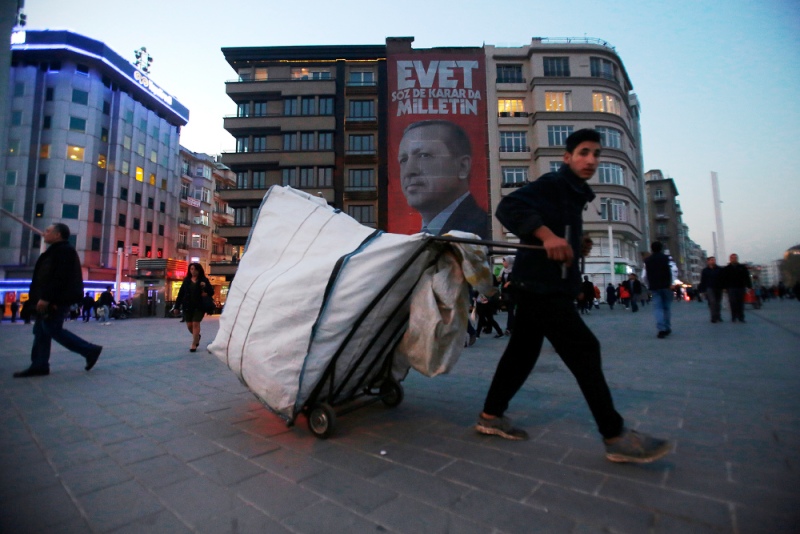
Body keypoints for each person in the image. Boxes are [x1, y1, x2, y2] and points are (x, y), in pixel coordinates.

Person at [475, 129, 670, 464]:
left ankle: (491, 416)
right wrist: (547, 236)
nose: (591, 160)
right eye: (583, 152)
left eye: (596, 153)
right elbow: (509, 206)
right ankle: (615, 435)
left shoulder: (575, 194)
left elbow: (555, 231)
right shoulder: (554, 184)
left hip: (545, 285)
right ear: (567, 157)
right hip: (541, 286)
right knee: (584, 349)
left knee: (522, 353)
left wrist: (574, 244)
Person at [13, 223, 102, 378]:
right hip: (49, 299)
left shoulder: (63, 252)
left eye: (48, 231)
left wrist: (46, 298)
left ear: (58, 235)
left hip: (55, 300)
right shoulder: (56, 251)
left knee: (51, 329)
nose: (44, 233)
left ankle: (89, 350)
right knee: (41, 331)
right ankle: (39, 364)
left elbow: (58, 278)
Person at [398, 120, 490, 239]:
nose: (409, 171)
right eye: (403, 160)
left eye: (424, 155)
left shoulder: (479, 233)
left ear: (463, 167)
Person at [174, 262, 214, 352]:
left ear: (199, 270)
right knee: (189, 325)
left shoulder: (204, 280)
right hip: (188, 306)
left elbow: (211, 292)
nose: (193, 271)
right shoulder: (187, 280)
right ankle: (197, 337)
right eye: (191, 269)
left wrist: (206, 290)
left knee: (196, 323)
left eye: (195, 269)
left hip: (199, 306)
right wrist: (176, 307)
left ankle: (194, 344)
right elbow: (181, 294)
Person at [643, 241, 673, 338]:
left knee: (658, 308)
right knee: (666, 307)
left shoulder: (648, 260)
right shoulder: (665, 258)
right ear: (661, 248)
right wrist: (670, 283)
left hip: (654, 286)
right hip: (666, 286)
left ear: (651, 249)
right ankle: (667, 327)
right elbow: (670, 272)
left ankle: (661, 329)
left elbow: (645, 275)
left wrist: (648, 284)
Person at [721, 253, 751, 323]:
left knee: (740, 302)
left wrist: (749, 286)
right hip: (731, 288)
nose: (734, 259)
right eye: (732, 258)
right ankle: (734, 316)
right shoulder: (727, 268)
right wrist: (724, 287)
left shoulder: (742, 267)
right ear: (730, 259)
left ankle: (741, 317)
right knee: (733, 302)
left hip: (741, 287)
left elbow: (747, 277)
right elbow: (723, 279)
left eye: (735, 258)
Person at [698, 256, 723, 323]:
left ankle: (718, 315)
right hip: (709, 288)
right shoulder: (705, 271)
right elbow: (703, 280)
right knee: (712, 302)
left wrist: (723, 287)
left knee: (718, 303)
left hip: (718, 288)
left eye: (714, 260)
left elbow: (723, 279)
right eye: (711, 260)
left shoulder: (719, 269)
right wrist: (702, 289)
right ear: (708, 261)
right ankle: (713, 317)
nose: (713, 261)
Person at [497, 255, 515, 335]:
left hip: (512, 292)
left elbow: (518, 280)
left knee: (510, 310)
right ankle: (513, 326)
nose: (503, 263)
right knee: (509, 311)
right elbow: (500, 279)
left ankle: (509, 328)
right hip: (505, 293)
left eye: (504, 261)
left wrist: (509, 282)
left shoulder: (515, 270)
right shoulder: (503, 270)